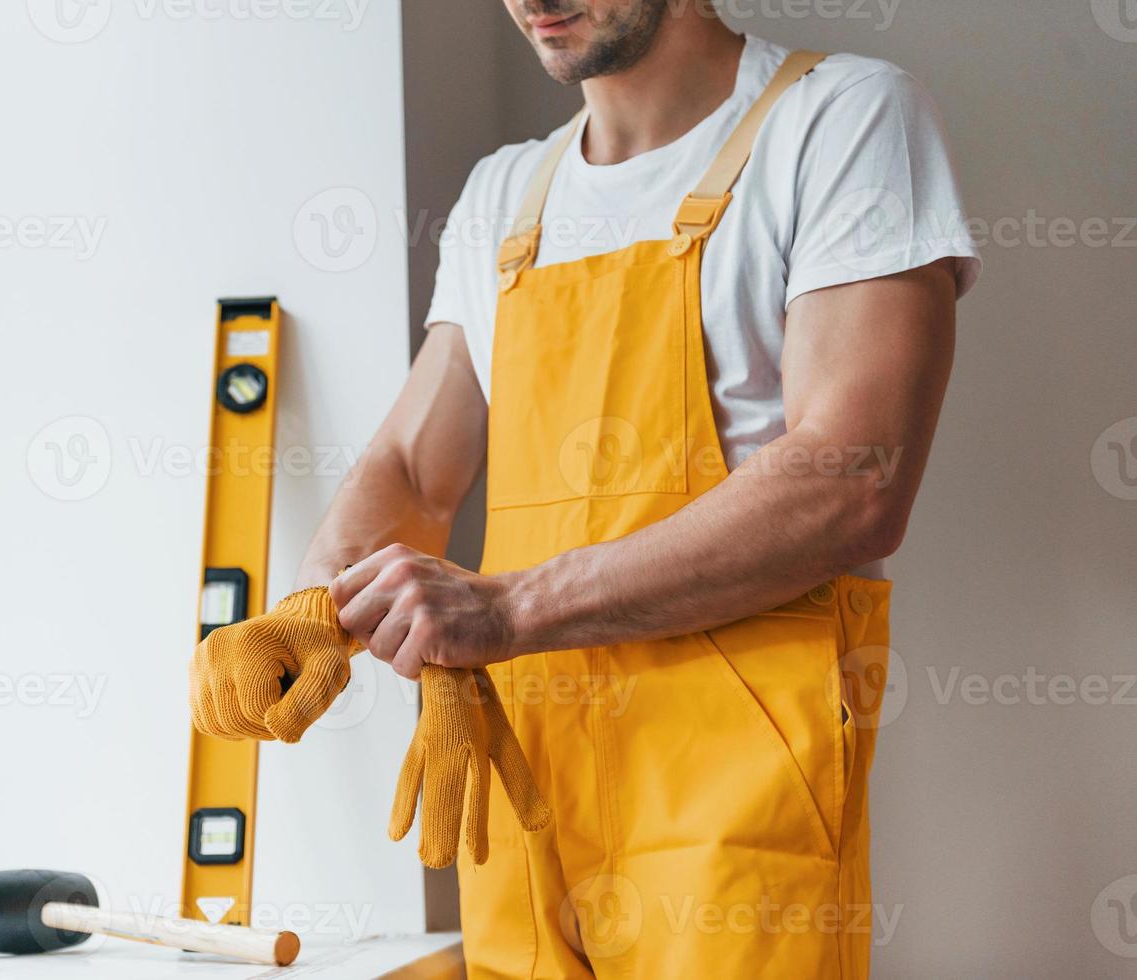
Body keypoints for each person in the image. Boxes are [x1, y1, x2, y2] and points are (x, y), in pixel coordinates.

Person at [190, 1, 980, 975]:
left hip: (733, 790)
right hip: (527, 788)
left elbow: (854, 477)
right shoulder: (507, 196)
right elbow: (410, 464)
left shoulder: (839, 120)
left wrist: (510, 604)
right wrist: (311, 607)